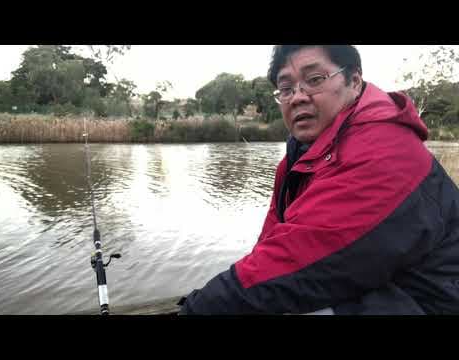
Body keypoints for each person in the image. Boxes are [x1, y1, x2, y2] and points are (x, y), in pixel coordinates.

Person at [178, 45, 459, 315]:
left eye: (314, 80)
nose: (297, 97)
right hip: (380, 288)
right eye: (286, 89)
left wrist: (201, 306)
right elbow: (273, 243)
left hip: (429, 301)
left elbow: (300, 260)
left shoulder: (384, 151)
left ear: (355, 80)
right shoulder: (298, 159)